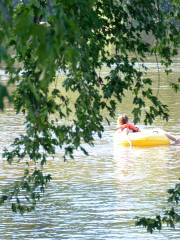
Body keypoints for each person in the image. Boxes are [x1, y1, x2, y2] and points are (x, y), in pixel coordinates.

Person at [116, 114, 180, 144]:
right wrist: (130, 144)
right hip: (142, 135)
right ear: (127, 121)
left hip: (140, 134)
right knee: (159, 130)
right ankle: (175, 139)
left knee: (158, 130)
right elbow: (126, 135)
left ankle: (175, 139)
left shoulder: (122, 129)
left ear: (119, 122)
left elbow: (124, 134)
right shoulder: (126, 128)